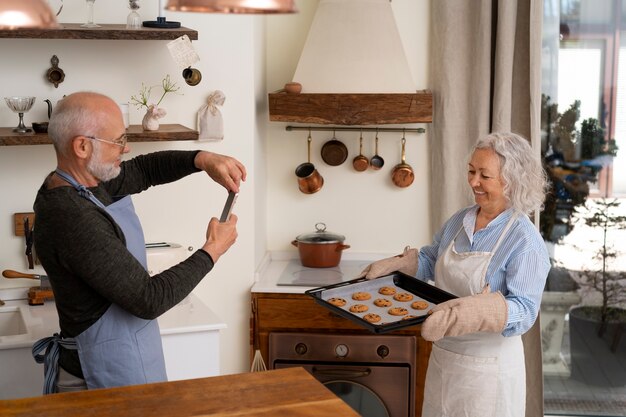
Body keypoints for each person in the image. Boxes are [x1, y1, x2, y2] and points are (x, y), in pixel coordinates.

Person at [32, 92, 247, 394]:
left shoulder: (84, 183)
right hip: (98, 380)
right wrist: (213, 249)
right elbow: (149, 299)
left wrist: (202, 159)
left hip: (126, 363)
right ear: (82, 146)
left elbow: (144, 170)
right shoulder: (71, 216)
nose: (126, 147)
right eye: (117, 141)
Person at [359, 132, 550, 417]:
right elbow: (432, 259)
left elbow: (525, 310)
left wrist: (474, 313)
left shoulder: (525, 241)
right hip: (445, 360)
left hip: (489, 371)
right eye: (471, 171)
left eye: (484, 175)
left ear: (512, 179)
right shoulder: (461, 220)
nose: (473, 182)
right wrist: (403, 265)